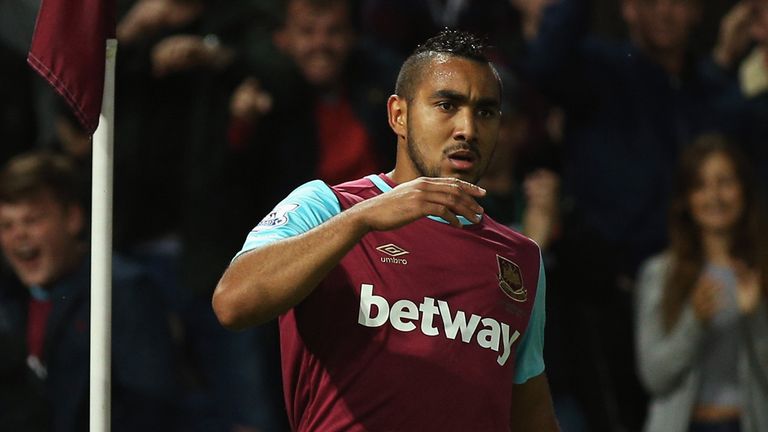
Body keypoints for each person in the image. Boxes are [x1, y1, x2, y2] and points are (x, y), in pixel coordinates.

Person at [213, 29, 560, 431]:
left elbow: (530, 408)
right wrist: (362, 219)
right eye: (447, 105)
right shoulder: (329, 206)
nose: (467, 128)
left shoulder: (521, 257)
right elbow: (233, 303)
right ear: (399, 115)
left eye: (485, 111)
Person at [0, 151, 178, 432]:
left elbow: (150, 409)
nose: (18, 235)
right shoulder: (9, 295)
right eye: (7, 225)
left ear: (72, 219)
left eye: (32, 220)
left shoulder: (120, 290)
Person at [635, 134, 768, 432]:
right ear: (686, 199)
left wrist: (756, 316)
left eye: (725, 182)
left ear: (744, 190)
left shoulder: (761, 270)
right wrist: (694, 321)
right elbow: (654, 376)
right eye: (700, 186)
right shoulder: (659, 274)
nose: (715, 197)